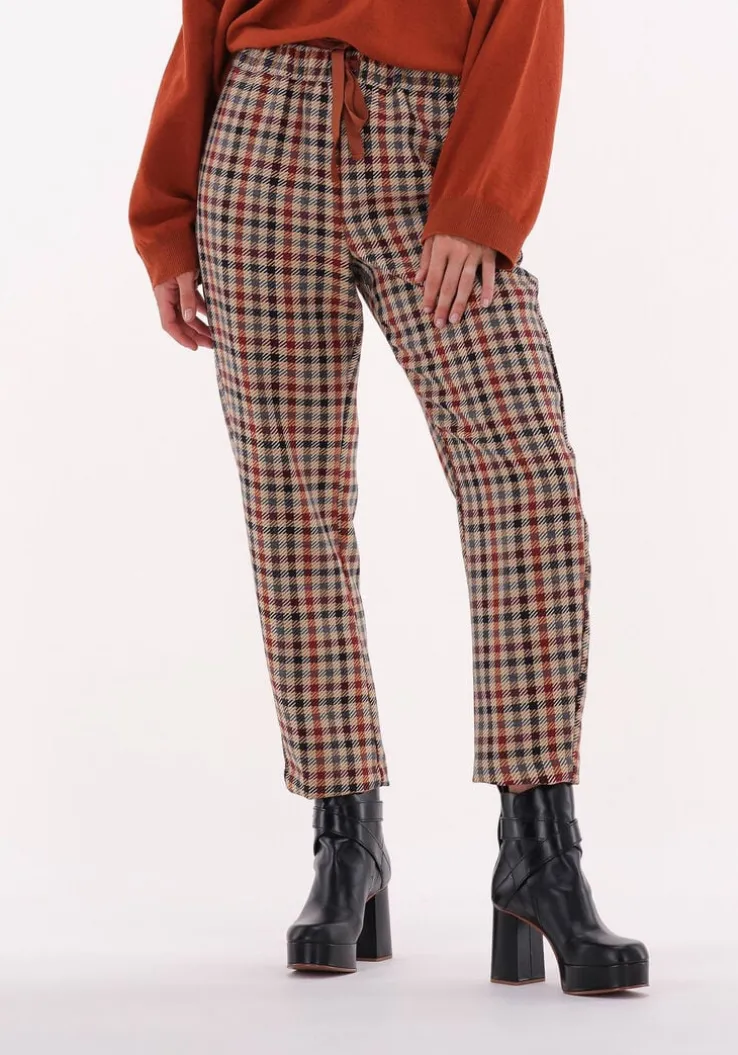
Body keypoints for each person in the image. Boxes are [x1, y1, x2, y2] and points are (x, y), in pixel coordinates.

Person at [129, 0, 649, 995]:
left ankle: (539, 846)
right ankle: (346, 840)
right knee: (294, 504)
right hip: (258, 137)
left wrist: (480, 198)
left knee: (526, 479)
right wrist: (166, 214)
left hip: (432, 137)